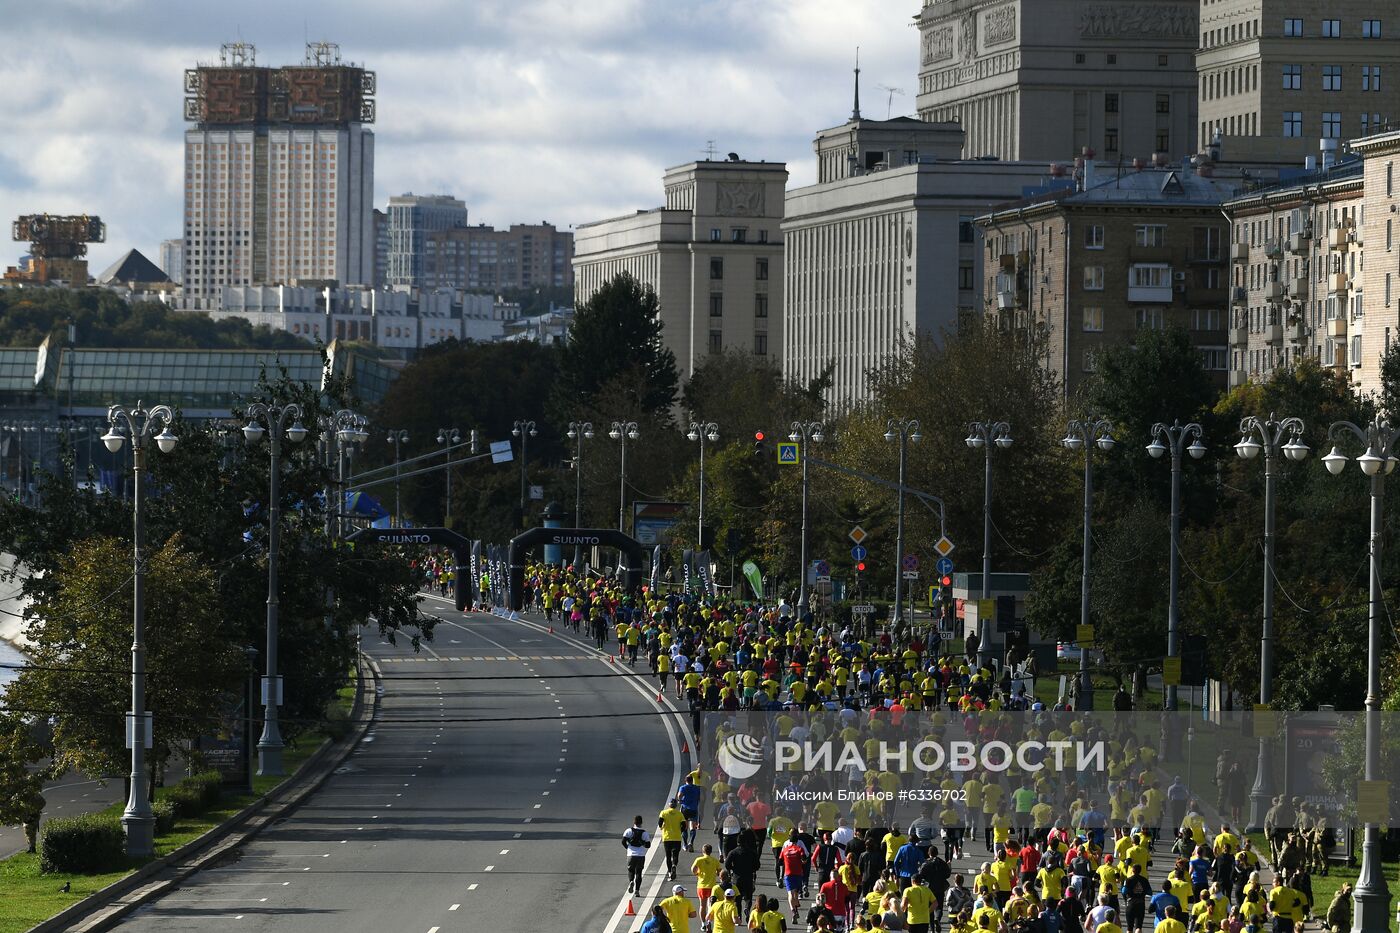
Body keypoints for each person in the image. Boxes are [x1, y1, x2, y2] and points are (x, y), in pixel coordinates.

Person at [624, 814, 652, 895]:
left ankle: (631, 881)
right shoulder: (644, 833)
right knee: (639, 872)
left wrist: (628, 848)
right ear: (641, 822)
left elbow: (623, 841)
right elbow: (648, 845)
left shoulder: (629, 831)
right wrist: (642, 843)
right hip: (641, 855)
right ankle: (637, 891)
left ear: (634, 822)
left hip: (631, 855)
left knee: (630, 870)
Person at [693, 843, 722, 917]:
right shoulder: (715, 860)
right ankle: (708, 920)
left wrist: (697, 873)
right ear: (710, 851)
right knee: (710, 905)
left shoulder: (699, 860)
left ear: (703, 851)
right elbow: (719, 872)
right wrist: (716, 873)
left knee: (702, 906)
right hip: (712, 886)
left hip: (701, 886)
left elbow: (693, 869)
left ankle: (703, 923)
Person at [661, 798, 687, 880]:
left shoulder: (664, 813)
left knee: (668, 856)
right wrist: (680, 831)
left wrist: (662, 828)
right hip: (677, 837)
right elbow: (684, 825)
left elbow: (660, 822)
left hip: (667, 837)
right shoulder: (679, 814)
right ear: (676, 805)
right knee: (675, 854)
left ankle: (669, 872)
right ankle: (674, 865)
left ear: (669, 805)